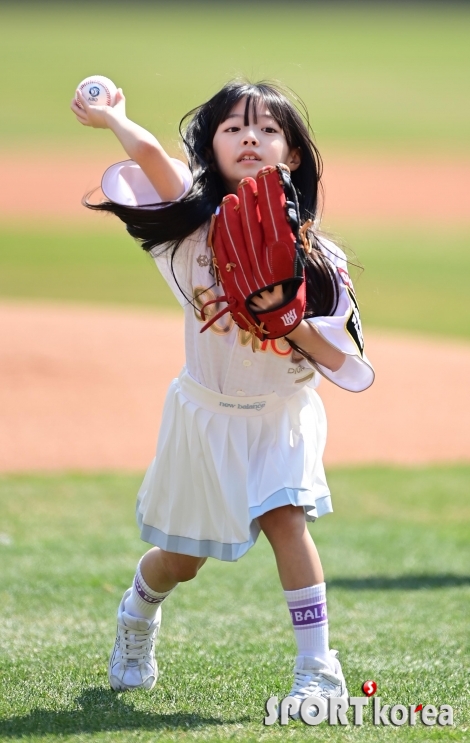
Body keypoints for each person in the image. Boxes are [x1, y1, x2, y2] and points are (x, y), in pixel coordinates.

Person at [71, 80, 374, 712]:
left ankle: (319, 671)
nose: (250, 138)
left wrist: (288, 324)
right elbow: (155, 163)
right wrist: (116, 119)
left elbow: (346, 364)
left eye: (268, 129)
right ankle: (138, 612)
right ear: (211, 146)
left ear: (292, 154)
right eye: (233, 127)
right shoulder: (189, 230)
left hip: (281, 416)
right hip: (205, 420)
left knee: (286, 518)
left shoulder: (321, 259)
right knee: (181, 559)